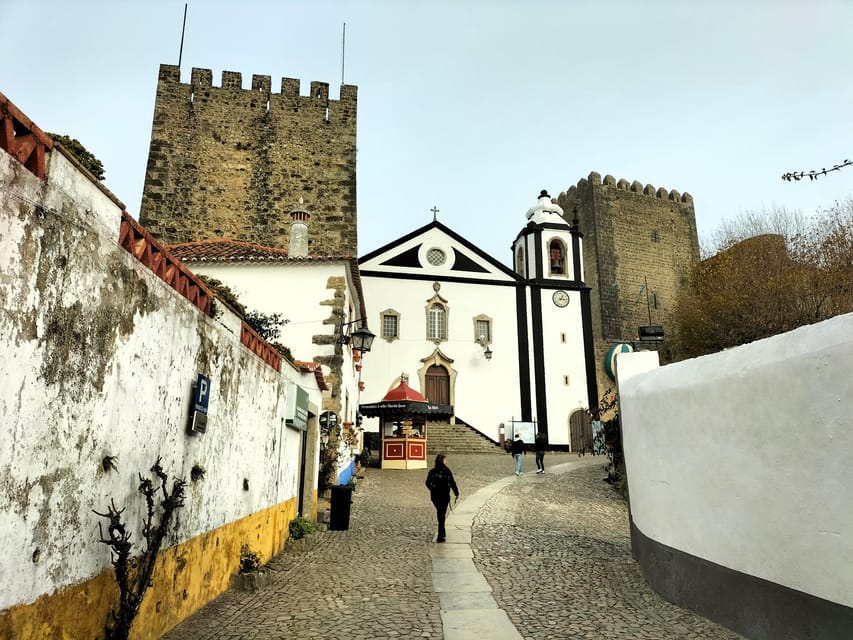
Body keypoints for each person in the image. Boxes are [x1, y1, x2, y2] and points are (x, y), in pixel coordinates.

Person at [425, 453, 459, 543]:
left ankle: (442, 534)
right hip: (444, 495)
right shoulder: (447, 471)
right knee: (441, 514)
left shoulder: (432, 471)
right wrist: (456, 493)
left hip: (435, 496)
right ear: (443, 460)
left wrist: (432, 489)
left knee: (440, 513)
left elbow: (427, 482)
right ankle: (441, 535)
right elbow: (452, 482)